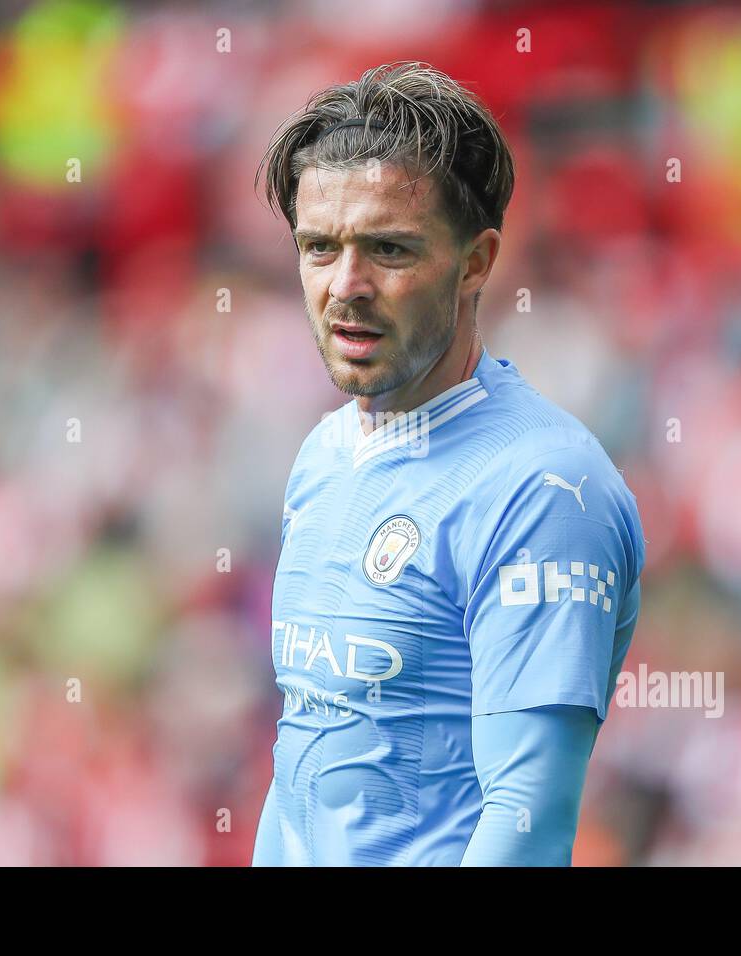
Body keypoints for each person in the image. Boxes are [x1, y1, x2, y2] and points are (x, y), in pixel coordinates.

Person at [251, 61, 645, 866]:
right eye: (319, 247)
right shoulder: (324, 455)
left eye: (389, 249)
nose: (345, 286)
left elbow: (525, 823)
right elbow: (300, 771)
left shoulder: (542, 490)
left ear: (476, 262)